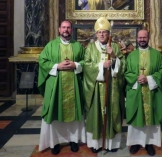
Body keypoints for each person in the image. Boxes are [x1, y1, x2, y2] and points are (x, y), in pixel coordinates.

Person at [38, 21, 86, 155]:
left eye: (68, 28)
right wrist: (56, 66)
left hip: (74, 86)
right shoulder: (51, 45)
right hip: (56, 87)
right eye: (64, 27)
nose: (66, 30)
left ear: (71, 30)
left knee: (74, 114)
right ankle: (55, 142)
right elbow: (42, 61)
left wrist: (76, 65)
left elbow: (86, 61)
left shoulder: (78, 46)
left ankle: (73, 140)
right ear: (59, 29)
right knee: (55, 113)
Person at [83, 16, 125, 153]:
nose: (102, 34)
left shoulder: (115, 47)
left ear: (108, 34)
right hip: (96, 89)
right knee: (96, 116)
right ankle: (96, 144)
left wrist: (113, 57)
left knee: (112, 114)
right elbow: (87, 66)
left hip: (111, 87)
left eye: (104, 32)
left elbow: (123, 65)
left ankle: (111, 144)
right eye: (99, 32)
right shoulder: (90, 48)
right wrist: (102, 66)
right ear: (96, 34)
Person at [125, 29, 162, 156]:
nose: (142, 40)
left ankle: (149, 143)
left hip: (152, 92)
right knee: (137, 117)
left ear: (148, 38)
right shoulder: (131, 55)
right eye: (140, 37)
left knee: (151, 118)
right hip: (136, 90)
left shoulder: (156, 54)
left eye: (144, 37)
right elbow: (127, 72)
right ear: (136, 39)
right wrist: (137, 78)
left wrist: (148, 78)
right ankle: (136, 142)